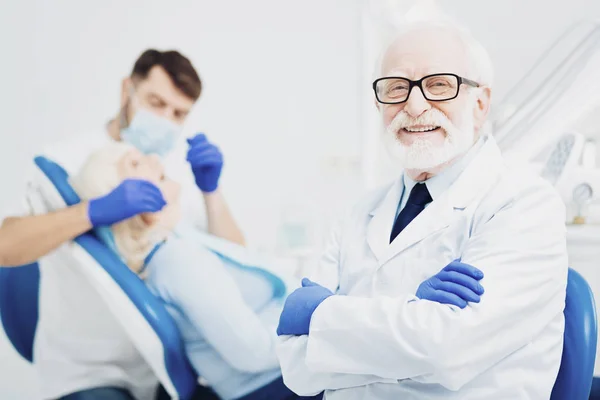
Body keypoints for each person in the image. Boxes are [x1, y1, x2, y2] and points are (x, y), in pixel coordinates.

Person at [275, 19, 569, 400]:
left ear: (479, 104)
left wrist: (319, 315)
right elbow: (295, 366)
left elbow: (448, 348)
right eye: (397, 88)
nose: (414, 105)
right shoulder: (357, 213)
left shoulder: (525, 205)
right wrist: (414, 321)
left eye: (439, 84)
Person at [68, 141, 487, 400]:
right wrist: (329, 320)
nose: (152, 157)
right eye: (134, 163)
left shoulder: (181, 242)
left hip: (289, 370)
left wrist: (346, 315)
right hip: (273, 385)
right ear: (125, 198)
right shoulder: (175, 260)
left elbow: (236, 260)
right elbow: (250, 352)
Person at [0, 49, 243, 399]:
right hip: (87, 375)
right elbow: (6, 245)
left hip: (164, 368)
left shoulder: (171, 172)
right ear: (126, 90)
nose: (165, 119)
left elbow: (237, 262)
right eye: (156, 103)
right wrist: (91, 211)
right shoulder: (64, 161)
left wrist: (211, 191)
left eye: (178, 113)